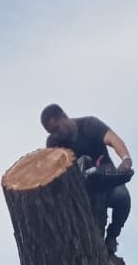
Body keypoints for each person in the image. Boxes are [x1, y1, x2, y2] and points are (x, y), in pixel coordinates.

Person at [40, 104, 132, 254]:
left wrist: (126, 159)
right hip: (80, 191)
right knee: (82, 162)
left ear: (64, 117)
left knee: (123, 198)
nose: (55, 134)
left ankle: (112, 237)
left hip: (105, 178)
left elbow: (113, 139)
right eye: (51, 132)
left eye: (56, 129)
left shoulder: (89, 125)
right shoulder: (53, 143)